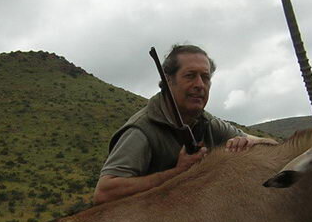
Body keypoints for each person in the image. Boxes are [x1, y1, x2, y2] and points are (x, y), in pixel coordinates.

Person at [93, 44, 277, 205]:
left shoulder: (208, 123)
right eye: (190, 76)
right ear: (168, 81)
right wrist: (177, 173)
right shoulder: (141, 130)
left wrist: (250, 143)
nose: (200, 85)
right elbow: (105, 192)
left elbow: (271, 146)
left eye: (205, 78)